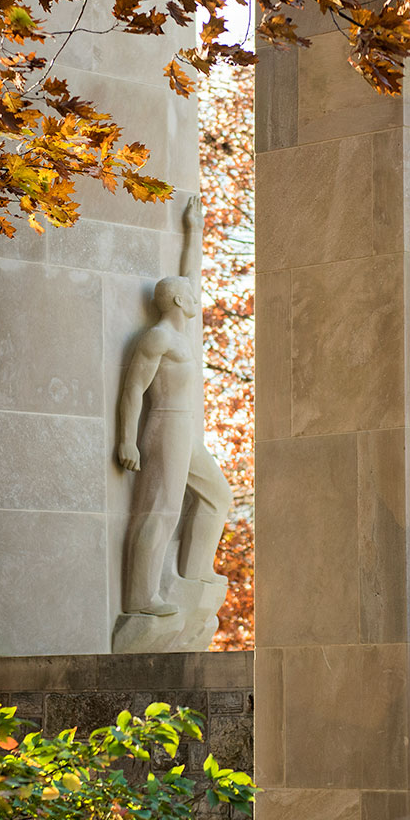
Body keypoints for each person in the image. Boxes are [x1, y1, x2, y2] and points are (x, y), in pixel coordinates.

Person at [116, 195, 231, 617]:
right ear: (180, 302)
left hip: (186, 429)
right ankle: (141, 596)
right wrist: (127, 440)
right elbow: (133, 390)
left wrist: (195, 229)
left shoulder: (183, 335)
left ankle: (196, 570)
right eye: (191, 295)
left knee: (218, 495)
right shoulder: (159, 338)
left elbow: (191, 272)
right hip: (164, 425)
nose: (197, 296)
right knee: (159, 510)